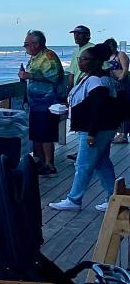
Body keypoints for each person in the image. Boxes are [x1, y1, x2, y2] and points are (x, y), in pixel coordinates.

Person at [50, 44, 119, 212]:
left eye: (84, 59)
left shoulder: (96, 80)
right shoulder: (93, 77)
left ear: (94, 62)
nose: (80, 62)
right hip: (101, 128)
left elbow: (98, 106)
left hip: (94, 129)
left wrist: (92, 133)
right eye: (80, 59)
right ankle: (113, 197)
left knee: (83, 165)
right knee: (101, 163)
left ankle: (74, 200)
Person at [18, 30, 66, 175]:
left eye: (26, 44)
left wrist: (29, 75)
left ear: (36, 44)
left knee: (45, 134)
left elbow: (54, 77)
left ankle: (49, 164)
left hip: (48, 102)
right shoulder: (34, 57)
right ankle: (39, 162)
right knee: (36, 134)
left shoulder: (48, 56)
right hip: (35, 102)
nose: (24, 47)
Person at [102, 38, 130, 143]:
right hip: (111, 86)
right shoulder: (106, 57)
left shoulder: (120, 55)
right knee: (115, 110)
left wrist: (119, 80)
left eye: (111, 46)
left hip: (121, 84)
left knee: (124, 109)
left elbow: (125, 70)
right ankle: (116, 133)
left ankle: (123, 135)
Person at [66, 25, 94, 89]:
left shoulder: (93, 49)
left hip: (88, 87)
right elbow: (72, 72)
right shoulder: (75, 51)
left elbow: (105, 69)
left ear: (87, 36)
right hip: (76, 88)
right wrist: (70, 89)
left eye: (79, 34)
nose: (76, 36)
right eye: (75, 34)